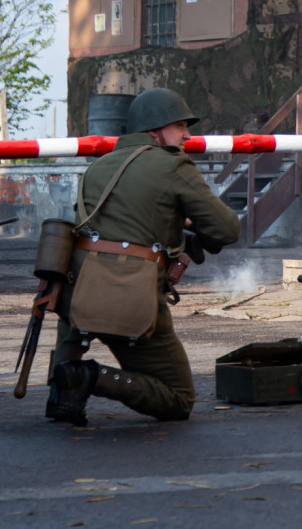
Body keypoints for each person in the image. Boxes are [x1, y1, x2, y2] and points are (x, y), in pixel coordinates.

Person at [47, 88, 241, 426]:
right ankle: (89, 377)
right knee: (179, 400)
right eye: (180, 125)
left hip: (80, 293)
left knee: (78, 310)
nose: (187, 134)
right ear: (155, 130)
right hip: (129, 297)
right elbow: (227, 229)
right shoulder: (173, 165)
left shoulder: (98, 167)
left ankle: (60, 388)